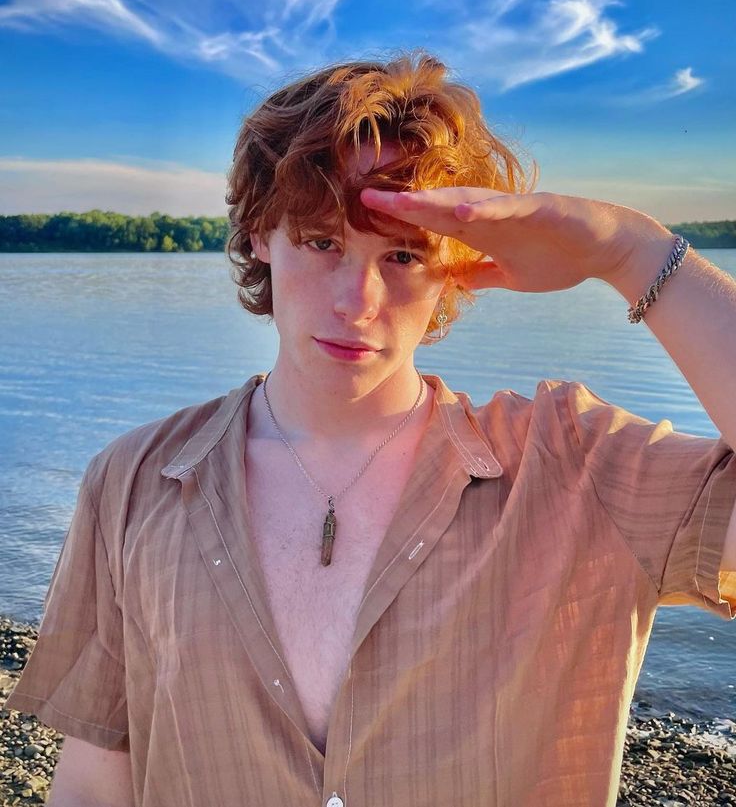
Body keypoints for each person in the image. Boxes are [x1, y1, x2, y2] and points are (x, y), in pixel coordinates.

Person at [4, 52, 736, 807]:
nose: (357, 300)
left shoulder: (576, 470)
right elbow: (95, 782)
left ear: (455, 264)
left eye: (402, 254)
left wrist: (632, 251)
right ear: (261, 233)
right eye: (322, 243)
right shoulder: (132, 483)